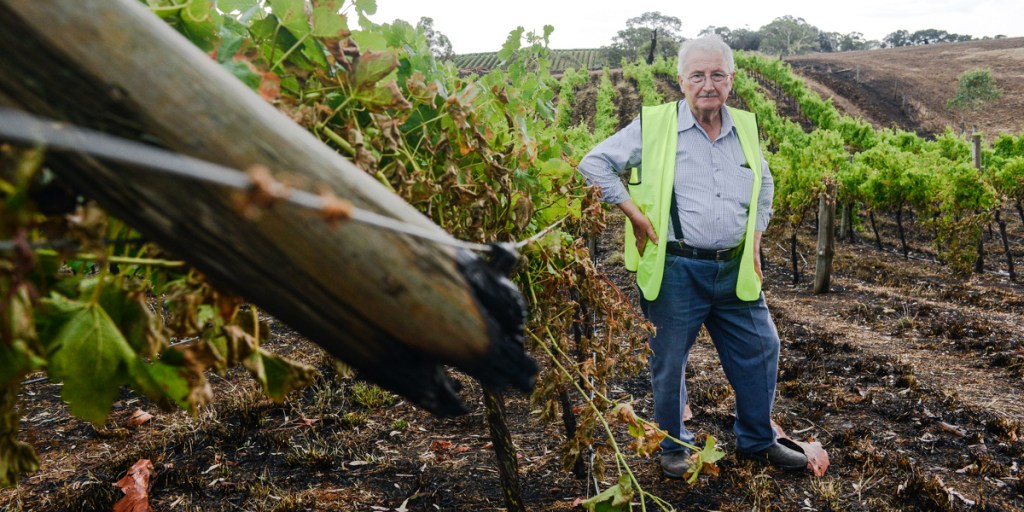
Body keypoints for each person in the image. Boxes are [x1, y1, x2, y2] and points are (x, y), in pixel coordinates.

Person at [577, 35, 807, 478]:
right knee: (669, 359)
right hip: (677, 266)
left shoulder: (745, 127)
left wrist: (756, 238)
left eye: (717, 74)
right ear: (681, 80)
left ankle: (758, 440)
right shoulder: (656, 125)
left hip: (735, 265)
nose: (708, 84)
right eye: (697, 75)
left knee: (762, 347)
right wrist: (633, 213)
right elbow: (593, 163)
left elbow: (766, 183)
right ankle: (672, 446)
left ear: (731, 79)